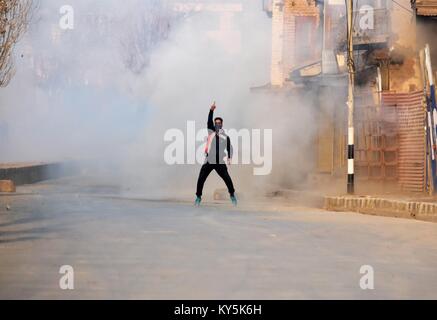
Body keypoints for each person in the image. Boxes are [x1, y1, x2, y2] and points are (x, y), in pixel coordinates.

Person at [195, 102, 237, 206]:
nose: (217, 124)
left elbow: (230, 148)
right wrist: (211, 110)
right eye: (216, 123)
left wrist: (229, 157)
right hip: (209, 160)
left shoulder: (226, 137)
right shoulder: (211, 132)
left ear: (222, 124)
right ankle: (198, 197)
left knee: (227, 179)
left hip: (219, 162)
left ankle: (232, 195)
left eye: (219, 123)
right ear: (214, 124)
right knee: (201, 179)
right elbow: (209, 121)